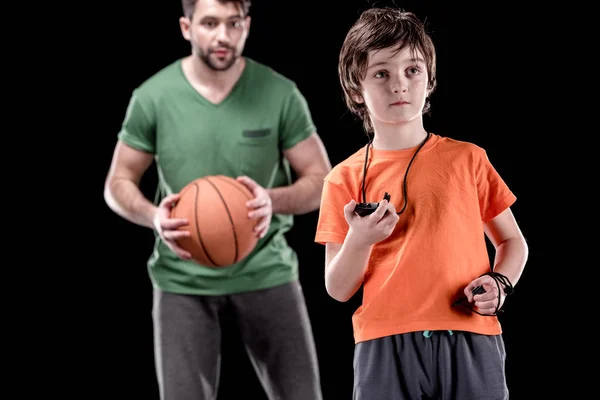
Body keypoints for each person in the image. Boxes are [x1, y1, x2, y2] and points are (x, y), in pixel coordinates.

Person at [103, 0, 332, 399]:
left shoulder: (280, 93)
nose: (223, 36)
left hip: (267, 271)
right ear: (186, 27)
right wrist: (153, 215)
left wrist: (272, 199)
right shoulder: (152, 96)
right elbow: (117, 181)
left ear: (247, 25)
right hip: (182, 279)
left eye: (233, 23)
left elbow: (321, 178)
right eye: (209, 23)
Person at [314, 6, 529, 400]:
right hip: (383, 343)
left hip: (470, 335)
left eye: (412, 70)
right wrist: (360, 240)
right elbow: (338, 289)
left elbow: (513, 243)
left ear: (429, 80)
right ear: (355, 88)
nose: (400, 84)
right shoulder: (342, 178)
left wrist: (500, 283)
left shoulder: (468, 159)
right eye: (381, 73)